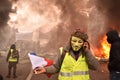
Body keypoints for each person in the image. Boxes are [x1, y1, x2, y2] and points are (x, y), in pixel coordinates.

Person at [34, 29, 99, 80]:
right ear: (70, 41)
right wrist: (45, 69)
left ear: (84, 43)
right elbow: (56, 67)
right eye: (74, 41)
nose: (76, 44)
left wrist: (87, 52)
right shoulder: (62, 51)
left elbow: (95, 66)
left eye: (79, 42)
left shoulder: (87, 52)